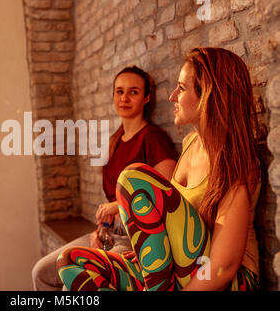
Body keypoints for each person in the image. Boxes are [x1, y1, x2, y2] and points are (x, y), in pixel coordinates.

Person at [57, 47, 262, 291]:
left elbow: (223, 266)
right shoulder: (189, 144)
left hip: (227, 280)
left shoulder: (237, 161)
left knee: (132, 178)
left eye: (182, 88)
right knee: (71, 262)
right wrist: (149, 254)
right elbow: (168, 221)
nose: (172, 96)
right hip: (178, 270)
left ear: (209, 94)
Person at [32, 66, 178, 290]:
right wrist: (100, 231)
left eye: (133, 92)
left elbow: (168, 198)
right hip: (109, 233)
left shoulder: (153, 139)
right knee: (41, 272)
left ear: (147, 98)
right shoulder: (114, 141)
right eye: (119, 91)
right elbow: (111, 199)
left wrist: (116, 207)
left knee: (72, 285)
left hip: (136, 238)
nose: (124, 98)